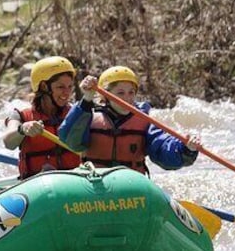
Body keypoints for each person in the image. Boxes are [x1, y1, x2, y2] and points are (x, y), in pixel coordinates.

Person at [58, 65, 201, 174]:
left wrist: (185, 148)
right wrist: (87, 98)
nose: (127, 98)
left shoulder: (143, 120)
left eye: (131, 92)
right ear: (106, 95)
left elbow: (162, 148)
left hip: (130, 187)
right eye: (120, 93)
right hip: (95, 183)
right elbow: (70, 140)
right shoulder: (87, 116)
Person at [2, 56, 82, 180]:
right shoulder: (20, 115)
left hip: (74, 182)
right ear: (44, 86)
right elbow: (8, 142)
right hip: (38, 184)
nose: (67, 93)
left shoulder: (77, 114)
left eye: (70, 87)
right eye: (61, 87)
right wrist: (22, 129)